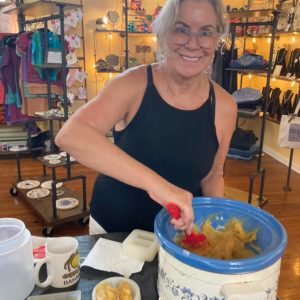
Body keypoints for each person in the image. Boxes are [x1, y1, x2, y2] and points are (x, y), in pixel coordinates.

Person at [55, 0, 237, 235]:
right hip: (115, 231)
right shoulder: (131, 84)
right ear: (163, 33)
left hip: (178, 235)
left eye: (205, 33)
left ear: (216, 40)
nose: (193, 44)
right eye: (181, 29)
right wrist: (159, 187)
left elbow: (213, 175)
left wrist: (215, 224)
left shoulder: (224, 106)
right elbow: (71, 135)